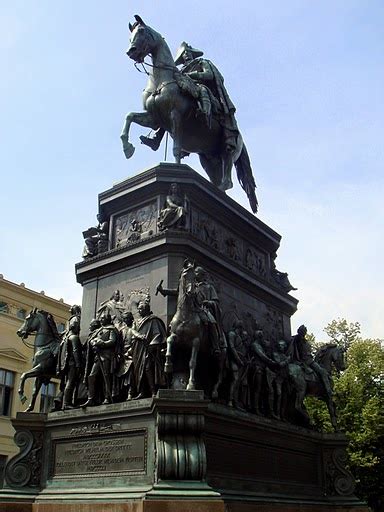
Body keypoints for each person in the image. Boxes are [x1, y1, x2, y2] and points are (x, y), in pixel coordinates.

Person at [140, 41, 239, 155]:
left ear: (192, 53)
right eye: (183, 53)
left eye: (187, 52)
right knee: (168, 106)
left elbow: (209, 75)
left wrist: (192, 75)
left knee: (203, 90)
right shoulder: (181, 70)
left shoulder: (201, 62)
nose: (186, 54)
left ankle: (204, 112)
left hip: (199, 86)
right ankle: (156, 138)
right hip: (186, 89)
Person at [130, 299, 166, 398]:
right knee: (137, 370)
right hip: (137, 349)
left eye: (141, 309)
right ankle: (141, 391)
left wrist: (152, 345)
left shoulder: (153, 320)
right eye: (138, 309)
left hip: (149, 348)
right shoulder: (136, 321)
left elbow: (158, 335)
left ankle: (153, 391)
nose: (139, 311)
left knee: (147, 368)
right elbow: (132, 330)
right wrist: (138, 335)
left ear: (146, 309)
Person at [83, 313, 118, 406]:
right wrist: (93, 342)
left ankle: (107, 397)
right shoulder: (98, 330)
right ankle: (91, 398)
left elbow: (112, 341)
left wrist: (102, 343)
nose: (101, 320)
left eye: (103, 318)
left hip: (107, 356)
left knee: (106, 377)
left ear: (108, 319)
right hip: (97, 357)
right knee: (91, 376)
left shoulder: (112, 329)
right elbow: (91, 340)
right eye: (101, 319)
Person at [288, 325, 333, 396]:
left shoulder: (305, 342)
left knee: (322, 371)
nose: (303, 333)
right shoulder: (297, 340)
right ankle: (328, 390)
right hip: (308, 361)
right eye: (302, 331)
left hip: (310, 360)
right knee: (322, 372)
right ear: (299, 332)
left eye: (304, 332)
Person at [56, 307, 82, 410]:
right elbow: (76, 351)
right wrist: (79, 364)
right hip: (72, 364)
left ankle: (63, 401)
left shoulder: (65, 338)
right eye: (78, 327)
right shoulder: (74, 337)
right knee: (71, 382)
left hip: (65, 364)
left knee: (68, 382)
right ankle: (66, 403)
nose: (79, 328)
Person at [118, 311, 147, 400]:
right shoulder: (121, 330)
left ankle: (131, 393)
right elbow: (118, 344)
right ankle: (121, 394)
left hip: (134, 353)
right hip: (123, 355)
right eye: (124, 319)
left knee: (131, 373)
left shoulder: (135, 328)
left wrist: (129, 352)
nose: (126, 320)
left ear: (131, 319)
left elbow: (137, 338)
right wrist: (119, 354)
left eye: (127, 318)